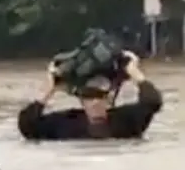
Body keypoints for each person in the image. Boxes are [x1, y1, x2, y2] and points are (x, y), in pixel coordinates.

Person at [17, 51, 163, 140]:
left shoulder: (126, 121)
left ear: (110, 98)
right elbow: (27, 126)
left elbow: (152, 102)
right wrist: (51, 87)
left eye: (100, 97)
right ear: (81, 100)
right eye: (89, 97)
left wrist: (133, 72)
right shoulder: (67, 123)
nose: (94, 103)